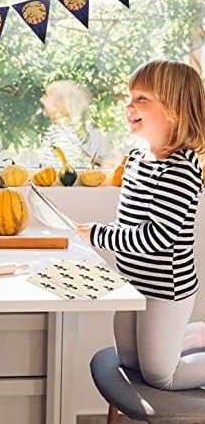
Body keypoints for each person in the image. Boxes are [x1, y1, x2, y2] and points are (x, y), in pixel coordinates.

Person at [75, 60, 205, 390]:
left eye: (142, 98)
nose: (129, 105)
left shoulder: (181, 170)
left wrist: (100, 235)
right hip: (132, 282)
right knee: (129, 362)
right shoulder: (136, 159)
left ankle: (181, 337)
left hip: (166, 289)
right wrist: (105, 236)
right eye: (129, 97)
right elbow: (129, 220)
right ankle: (193, 333)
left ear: (175, 109)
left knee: (160, 375)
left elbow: (158, 237)